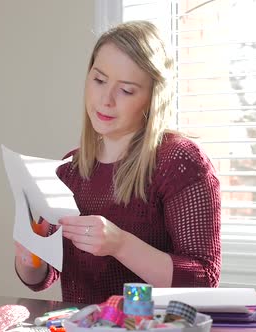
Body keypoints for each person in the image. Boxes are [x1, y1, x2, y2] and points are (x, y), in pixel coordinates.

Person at [14, 20, 221, 304]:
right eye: (99, 80)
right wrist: (30, 258)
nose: (106, 99)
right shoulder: (70, 169)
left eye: (126, 90)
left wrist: (121, 244)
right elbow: (44, 277)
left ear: (152, 98)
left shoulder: (180, 162)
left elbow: (204, 281)